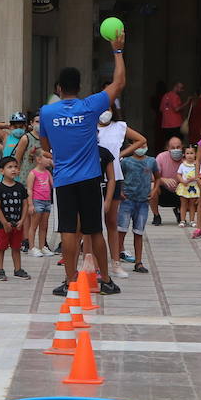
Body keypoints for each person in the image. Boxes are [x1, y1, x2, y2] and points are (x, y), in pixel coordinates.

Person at [39, 26, 127, 297]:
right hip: (90, 178)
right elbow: (119, 83)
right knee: (94, 231)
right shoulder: (90, 106)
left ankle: (69, 282)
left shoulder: (47, 112)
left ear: (58, 88)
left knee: (67, 230)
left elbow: (45, 147)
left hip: (64, 179)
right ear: (79, 87)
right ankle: (106, 281)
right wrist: (118, 50)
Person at [97, 106, 146, 275]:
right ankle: (93, 263)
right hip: (93, 176)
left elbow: (141, 140)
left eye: (108, 108)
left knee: (111, 221)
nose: (105, 112)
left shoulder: (119, 126)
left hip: (114, 177)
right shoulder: (89, 126)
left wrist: (121, 153)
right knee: (92, 224)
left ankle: (115, 262)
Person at [0, 156, 31, 281]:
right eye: (9, 167)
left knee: (16, 247)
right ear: (1, 171)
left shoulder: (20, 187)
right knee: (1, 247)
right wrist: (4, 222)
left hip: (17, 224)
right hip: (3, 225)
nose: (13, 170)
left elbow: (25, 205)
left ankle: (17, 269)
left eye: (15, 167)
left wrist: (22, 220)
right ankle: (0, 270)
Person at [118, 145, 157, 274]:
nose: (141, 148)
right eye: (138, 145)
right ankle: (116, 259)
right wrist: (121, 191)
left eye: (144, 145)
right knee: (121, 231)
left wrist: (154, 190)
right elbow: (118, 177)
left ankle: (138, 262)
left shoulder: (151, 161)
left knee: (139, 232)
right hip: (127, 200)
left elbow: (158, 177)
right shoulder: (126, 162)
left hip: (143, 202)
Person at [26, 149, 55, 256]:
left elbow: (53, 184)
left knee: (44, 225)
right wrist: (30, 204)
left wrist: (55, 167)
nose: (49, 160)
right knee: (34, 225)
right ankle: (32, 247)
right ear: (38, 159)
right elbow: (29, 189)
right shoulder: (33, 173)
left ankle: (43, 247)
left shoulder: (47, 172)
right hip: (37, 201)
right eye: (46, 157)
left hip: (47, 201)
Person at [155, 135, 186, 225]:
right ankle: (156, 215)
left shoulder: (188, 157)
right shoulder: (161, 157)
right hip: (164, 191)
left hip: (182, 191)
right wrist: (162, 179)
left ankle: (182, 214)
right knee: (152, 186)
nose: (176, 150)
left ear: (182, 147)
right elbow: (151, 177)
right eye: (173, 148)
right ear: (168, 148)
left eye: (178, 147)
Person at [175, 145, 201, 228]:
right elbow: (178, 174)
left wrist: (194, 178)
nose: (189, 155)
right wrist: (182, 181)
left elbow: (200, 175)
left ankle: (192, 220)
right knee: (183, 204)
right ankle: (182, 220)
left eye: (191, 153)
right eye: (187, 153)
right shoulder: (182, 165)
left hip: (193, 186)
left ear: (195, 154)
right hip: (184, 186)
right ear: (184, 155)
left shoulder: (197, 165)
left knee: (192, 204)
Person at [159, 81, 189, 145]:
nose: (182, 90)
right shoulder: (175, 96)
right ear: (175, 87)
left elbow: (161, 109)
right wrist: (187, 103)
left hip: (165, 124)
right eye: (181, 88)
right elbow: (176, 109)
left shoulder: (165, 95)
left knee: (168, 143)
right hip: (176, 124)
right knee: (178, 143)